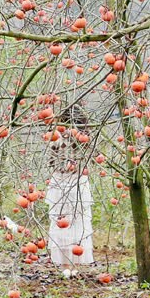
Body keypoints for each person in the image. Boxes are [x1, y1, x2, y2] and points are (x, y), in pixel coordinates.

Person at [45, 106, 94, 276]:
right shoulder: (62, 135)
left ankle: (69, 265)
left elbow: (52, 159)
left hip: (69, 180)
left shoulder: (72, 136)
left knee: (70, 222)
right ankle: (69, 265)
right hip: (68, 179)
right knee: (69, 222)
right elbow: (52, 158)